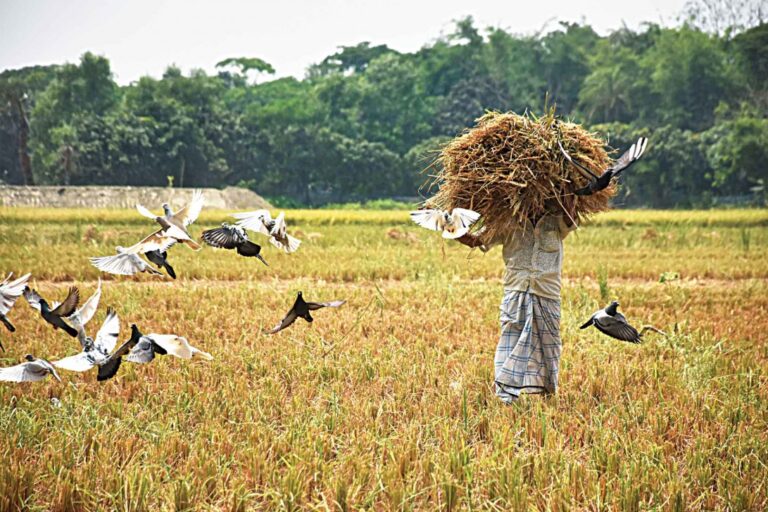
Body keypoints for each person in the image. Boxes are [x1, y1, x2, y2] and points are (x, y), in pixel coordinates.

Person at [457, 197, 577, 403]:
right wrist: (448, 226)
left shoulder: (558, 218)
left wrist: (573, 192)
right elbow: (477, 240)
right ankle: (504, 395)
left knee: (549, 344)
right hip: (516, 291)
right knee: (510, 340)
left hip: (547, 292)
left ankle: (547, 392)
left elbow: (571, 215)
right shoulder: (506, 220)